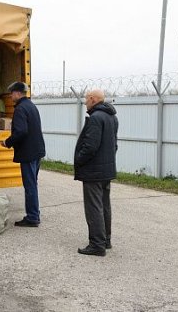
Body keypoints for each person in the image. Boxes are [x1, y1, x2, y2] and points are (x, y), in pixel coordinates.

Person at [74, 89, 118, 257]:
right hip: (107, 169)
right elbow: (114, 145)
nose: (85, 102)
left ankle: (97, 244)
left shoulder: (96, 118)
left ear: (93, 99)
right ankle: (105, 240)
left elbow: (90, 146)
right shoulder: (112, 117)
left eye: (86, 99)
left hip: (94, 171)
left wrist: (79, 159)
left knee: (93, 207)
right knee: (104, 205)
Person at [1, 82, 46, 227]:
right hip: (37, 151)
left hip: (28, 152)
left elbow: (21, 131)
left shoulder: (20, 109)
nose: (10, 96)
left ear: (18, 93)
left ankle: (32, 217)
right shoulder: (31, 106)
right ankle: (34, 214)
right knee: (33, 183)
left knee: (30, 185)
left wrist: (7, 142)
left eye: (12, 93)